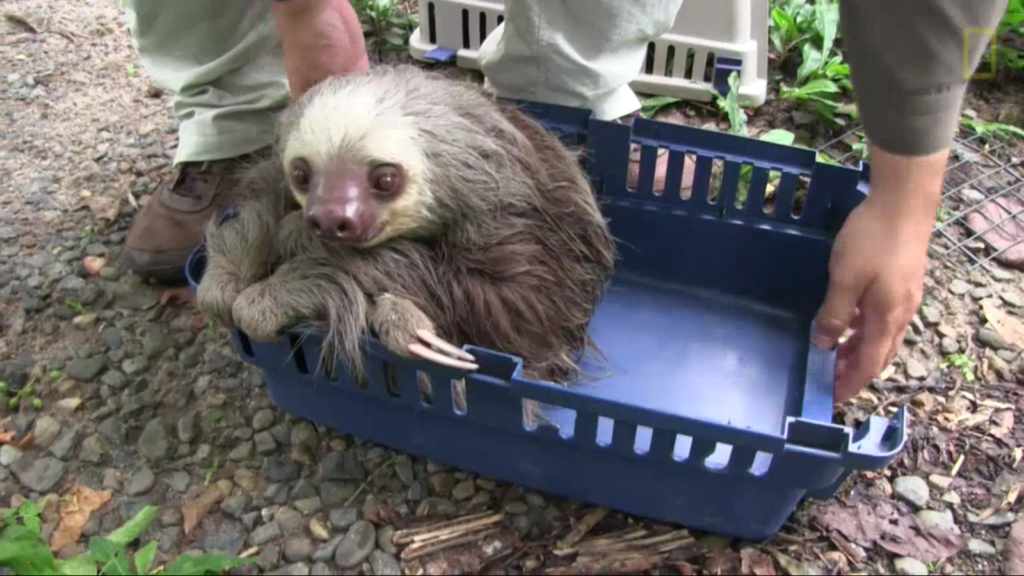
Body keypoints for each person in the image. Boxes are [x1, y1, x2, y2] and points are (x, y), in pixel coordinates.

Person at [120, 0, 1007, 403]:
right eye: (318, 187)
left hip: (498, 213)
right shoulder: (318, 198)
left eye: (378, 184)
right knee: (258, 246)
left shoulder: (513, 230)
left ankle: (570, 91)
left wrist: (904, 199)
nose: (335, 214)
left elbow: (524, 317)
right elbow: (274, 244)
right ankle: (236, 111)